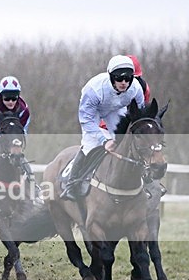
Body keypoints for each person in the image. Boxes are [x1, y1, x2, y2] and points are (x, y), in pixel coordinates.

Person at [60, 55, 146, 201]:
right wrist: (103, 140)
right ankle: (72, 183)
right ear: (111, 76)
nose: (124, 83)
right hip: (94, 111)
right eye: (119, 78)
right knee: (90, 144)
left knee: (125, 141)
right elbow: (86, 121)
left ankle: (142, 179)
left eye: (128, 78)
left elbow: (140, 116)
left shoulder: (136, 89)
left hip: (115, 109)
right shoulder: (94, 90)